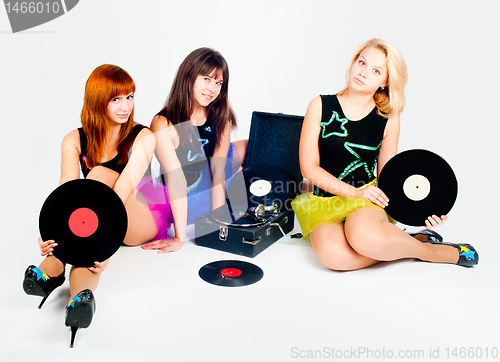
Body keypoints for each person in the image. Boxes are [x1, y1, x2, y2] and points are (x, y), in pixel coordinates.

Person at [291, 38, 478, 271]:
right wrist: (356, 192)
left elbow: (391, 176)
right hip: (325, 201)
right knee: (334, 258)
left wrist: (424, 211)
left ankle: (435, 253)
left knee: (362, 237)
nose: (363, 72)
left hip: (369, 200)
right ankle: (414, 243)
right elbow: (309, 168)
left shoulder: (388, 118)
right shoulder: (319, 105)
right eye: (362, 63)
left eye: (376, 70)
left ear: (385, 81)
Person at [22, 64, 171, 347]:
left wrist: (105, 249)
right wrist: (50, 237)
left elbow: (122, 195)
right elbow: (65, 196)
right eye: (116, 99)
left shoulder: (143, 136)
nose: (125, 106)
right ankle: (74, 295)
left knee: (99, 175)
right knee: (73, 216)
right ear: (97, 100)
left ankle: (54, 272)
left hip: (146, 215)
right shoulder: (74, 139)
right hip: (103, 218)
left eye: (129, 97)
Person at [143, 48, 246, 254]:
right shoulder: (163, 122)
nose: (213, 89)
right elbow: (176, 179)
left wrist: (218, 221)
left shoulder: (220, 117)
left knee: (253, 147)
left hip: (208, 175)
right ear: (189, 77)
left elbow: (218, 172)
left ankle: (296, 187)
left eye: (218, 83)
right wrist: (180, 237)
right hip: (181, 188)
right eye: (207, 79)